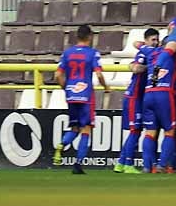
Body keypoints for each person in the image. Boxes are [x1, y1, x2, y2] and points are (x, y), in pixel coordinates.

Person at [53, 24, 109, 175]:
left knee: (75, 128)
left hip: (71, 95)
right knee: (86, 130)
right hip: (86, 96)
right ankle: (78, 165)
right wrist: (106, 87)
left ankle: (62, 143)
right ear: (90, 37)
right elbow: (98, 75)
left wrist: (66, 88)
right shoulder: (93, 53)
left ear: (77, 36)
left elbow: (57, 75)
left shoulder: (67, 53)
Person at [115, 28, 159, 174]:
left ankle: (120, 163)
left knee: (137, 130)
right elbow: (135, 68)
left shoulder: (151, 53)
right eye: (153, 40)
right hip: (134, 96)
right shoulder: (144, 53)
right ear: (146, 41)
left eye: (157, 39)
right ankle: (128, 164)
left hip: (140, 97)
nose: (155, 42)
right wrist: (150, 67)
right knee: (135, 131)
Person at [141, 40, 176, 174]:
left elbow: (137, 44)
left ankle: (147, 167)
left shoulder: (151, 51)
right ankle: (162, 165)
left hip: (148, 93)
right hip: (164, 94)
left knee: (150, 132)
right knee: (170, 131)